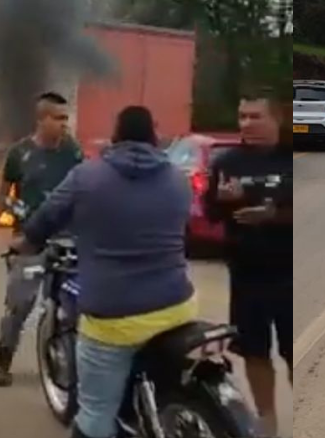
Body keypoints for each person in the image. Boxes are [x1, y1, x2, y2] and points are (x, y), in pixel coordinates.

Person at [20, 106, 199, 438]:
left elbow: (45, 219)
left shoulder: (87, 175)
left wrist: (25, 242)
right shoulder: (177, 177)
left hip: (115, 317)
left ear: (116, 134)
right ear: (153, 135)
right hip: (178, 305)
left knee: (95, 414)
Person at [204, 90, 293, 435]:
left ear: (277, 119)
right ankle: (266, 419)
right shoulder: (226, 163)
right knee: (254, 352)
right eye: (242, 116)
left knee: (291, 352)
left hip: (289, 274)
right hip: (247, 274)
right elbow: (211, 214)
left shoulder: (290, 159)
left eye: (256, 116)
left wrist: (271, 216)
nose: (247, 123)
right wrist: (225, 201)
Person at [0, 92, 84, 387]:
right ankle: (3, 358)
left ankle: (67, 362)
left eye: (67, 118)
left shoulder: (73, 152)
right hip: (29, 242)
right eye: (59, 118)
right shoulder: (20, 153)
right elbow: (3, 193)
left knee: (72, 307)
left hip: (68, 243)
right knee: (19, 305)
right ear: (42, 120)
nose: (66, 124)